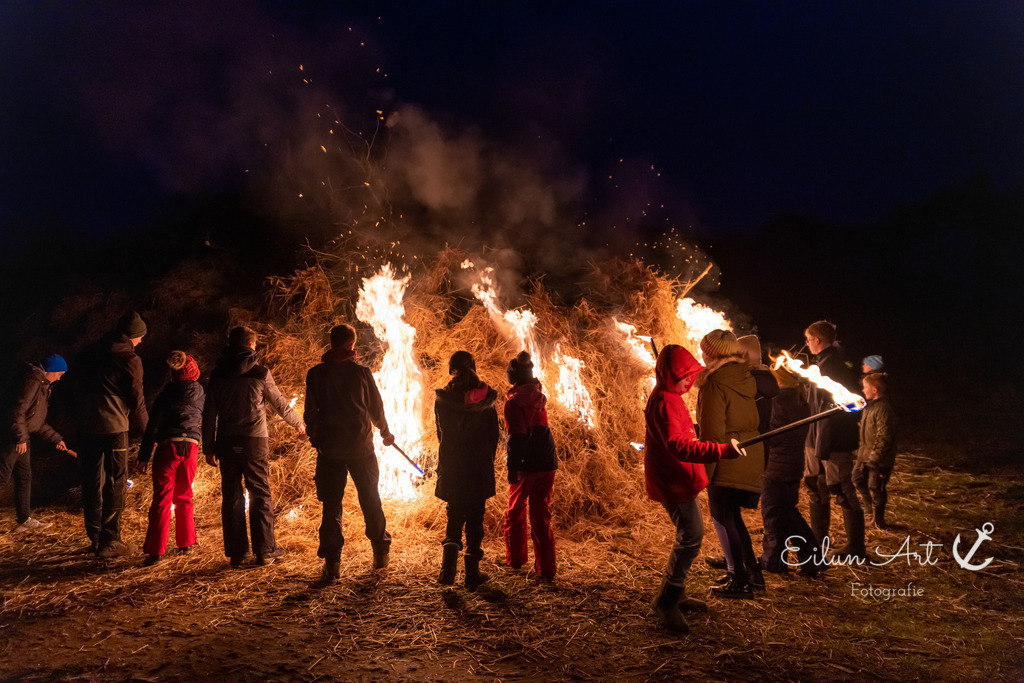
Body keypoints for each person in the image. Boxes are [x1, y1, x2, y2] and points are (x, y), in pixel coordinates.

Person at [644, 344, 738, 633]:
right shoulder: (665, 402)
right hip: (673, 480)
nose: (689, 382)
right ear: (671, 375)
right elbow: (677, 445)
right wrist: (719, 450)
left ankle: (677, 593)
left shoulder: (672, 397)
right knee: (691, 536)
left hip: (681, 478)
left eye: (691, 375)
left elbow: (682, 432)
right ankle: (667, 601)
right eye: (684, 377)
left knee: (690, 534)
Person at [203, 326, 306, 568]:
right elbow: (279, 404)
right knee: (260, 493)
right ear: (251, 346)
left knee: (232, 496)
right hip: (254, 441)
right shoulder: (260, 373)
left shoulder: (218, 375)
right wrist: (299, 425)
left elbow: (209, 415)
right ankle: (265, 551)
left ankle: (238, 554)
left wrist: (208, 446)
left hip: (227, 443)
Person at [304, 324, 394, 581]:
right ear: (352, 346)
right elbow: (376, 406)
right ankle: (380, 553)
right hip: (361, 448)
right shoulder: (362, 373)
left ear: (331, 344)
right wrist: (385, 431)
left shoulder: (316, 374)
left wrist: (315, 438)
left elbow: (310, 412)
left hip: (330, 450)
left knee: (331, 505)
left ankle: (332, 564)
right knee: (370, 499)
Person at [72, 311, 149, 558]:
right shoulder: (130, 359)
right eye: (140, 338)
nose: (140, 343)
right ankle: (110, 539)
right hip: (114, 426)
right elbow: (137, 399)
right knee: (116, 480)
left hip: (86, 425)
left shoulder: (89, 353)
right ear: (133, 335)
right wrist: (147, 432)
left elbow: (73, 386)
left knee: (92, 478)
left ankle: (94, 537)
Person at [697, 330, 764, 598]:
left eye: (704, 350)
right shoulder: (743, 377)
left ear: (712, 353)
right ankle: (751, 574)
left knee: (724, 518)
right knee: (732, 517)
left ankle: (740, 581)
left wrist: (704, 470)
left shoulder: (715, 383)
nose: (701, 354)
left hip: (727, 456)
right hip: (748, 452)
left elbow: (712, 434)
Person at [434, 350, 500, 590]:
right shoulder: (485, 399)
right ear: (474, 366)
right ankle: (472, 575)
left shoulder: (444, 400)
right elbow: (494, 435)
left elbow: (440, 433)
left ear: (452, 369)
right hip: (478, 465)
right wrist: (486, 459)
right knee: (475, 517)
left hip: (453, 464)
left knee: (454, 514)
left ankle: (447, 571)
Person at [803, 320, 865, 560]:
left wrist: (822, 444)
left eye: (809, 340)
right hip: (816, 436)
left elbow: (832, 408)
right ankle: (818, 542)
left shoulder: (833, 365)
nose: (808, 344)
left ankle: (855, 546)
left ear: (817, 340)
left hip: (832, 439)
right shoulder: (823, 363)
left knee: (841, 486)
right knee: (815, 485)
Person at [136, 351, 204, 566]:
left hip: (168, 447)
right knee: (185, 495)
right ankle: (187, 543)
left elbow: (153, 426)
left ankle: (156, 551)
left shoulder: (166, 393)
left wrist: (144, 456)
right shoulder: (201, 392)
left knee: (162, 499)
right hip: (191, 447)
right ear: (194, 373)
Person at [759, 365, 821, 575]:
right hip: (792, 464)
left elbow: (776, 436)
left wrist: (759, 431)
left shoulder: (779, 401)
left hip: (778, 466)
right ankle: (779, 559)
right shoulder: (798, 398)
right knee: (785, 513)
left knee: (775, 514)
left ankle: (784, 559)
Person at [502, 351, 558, 583]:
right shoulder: (538, 395)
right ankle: (546, 569)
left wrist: (512, 467)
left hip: (528, 465)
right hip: (547, 462)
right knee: (540, 514)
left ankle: (515, 560)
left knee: (514, 512)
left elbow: (517, 438)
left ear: (512, 376)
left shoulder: (514, 402)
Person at [1, 354, 71, 532]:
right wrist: (20, 438)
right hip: (13, 437)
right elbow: (17, 410)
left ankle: (24, 520)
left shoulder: (42, 385)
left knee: (24, 477)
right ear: (51, 371)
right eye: (59, 374)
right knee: (1, 477)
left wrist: (56, 438)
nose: (59, 378)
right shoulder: (31, 382)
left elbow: (35, 420)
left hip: (22, 436)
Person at [853, 372, 897, 529]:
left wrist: (875, 457)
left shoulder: (883, 409)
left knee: (875, 487)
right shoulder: (869, 407)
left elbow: (884, 436)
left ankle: (878, 521)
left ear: (875, 389)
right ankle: (869, 510)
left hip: (878, 459)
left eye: (866, 388)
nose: (863, 391)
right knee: (857, 479)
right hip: (864, 455)